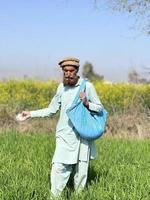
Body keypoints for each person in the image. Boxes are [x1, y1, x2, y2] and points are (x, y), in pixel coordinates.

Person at [20, 57, 103, 198]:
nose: (68, 73)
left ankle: (78, 196)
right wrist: (31, 114)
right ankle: (54, 196)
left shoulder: (87, 86)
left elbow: (99, 108)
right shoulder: (61, 87)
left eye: (71, 71)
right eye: (65, 71)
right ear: (62, 71)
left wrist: (87, 103)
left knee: (81, 170)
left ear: (77, 71)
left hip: (82, 135)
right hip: (64, 134)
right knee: (58, 166)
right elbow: (51, 109)